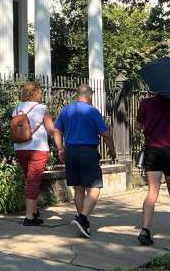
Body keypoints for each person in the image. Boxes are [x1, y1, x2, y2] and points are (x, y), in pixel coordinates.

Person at [53, 84, 116, 239]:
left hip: (71, 152)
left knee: (79, 189)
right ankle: (82, 218)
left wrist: (60, 148)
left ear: (78, 95)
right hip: (88, 151)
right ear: (89, 96)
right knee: (95, 188)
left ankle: (83, 221)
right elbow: (105, 134)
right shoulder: (92, 111)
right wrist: (112, 149)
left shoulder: (67, 110)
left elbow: (56, 129)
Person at [134, 93, 170, 245]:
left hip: (152, 152)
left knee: (152, 192)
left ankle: (145, 230)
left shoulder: (145, 103)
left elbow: (137, 127)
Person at [12, 82, 58, 226]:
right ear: (36, 93)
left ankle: (34, 211)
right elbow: (51, 130)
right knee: (34, 181)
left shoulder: (17, 108)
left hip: (20, 147)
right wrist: (60, 143)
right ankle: (29, 217)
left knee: (29, 179)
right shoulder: (42, 108)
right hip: (38, 149)